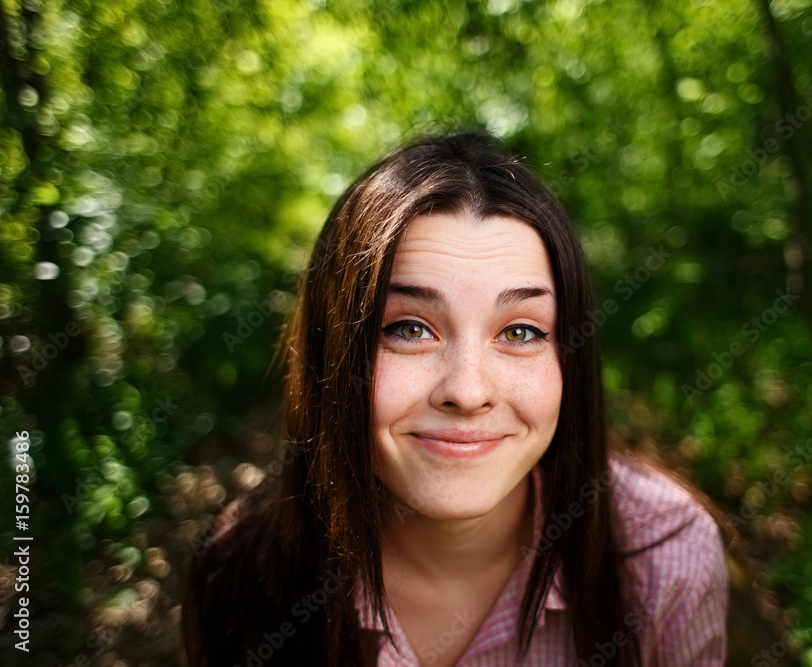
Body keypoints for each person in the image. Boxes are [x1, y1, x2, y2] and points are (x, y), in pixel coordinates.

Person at [183, 130, 730, 666]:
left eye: (520, 332)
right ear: (335, 353)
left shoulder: (666, 560)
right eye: (410, 329)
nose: (468, 392)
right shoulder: (241, 573)